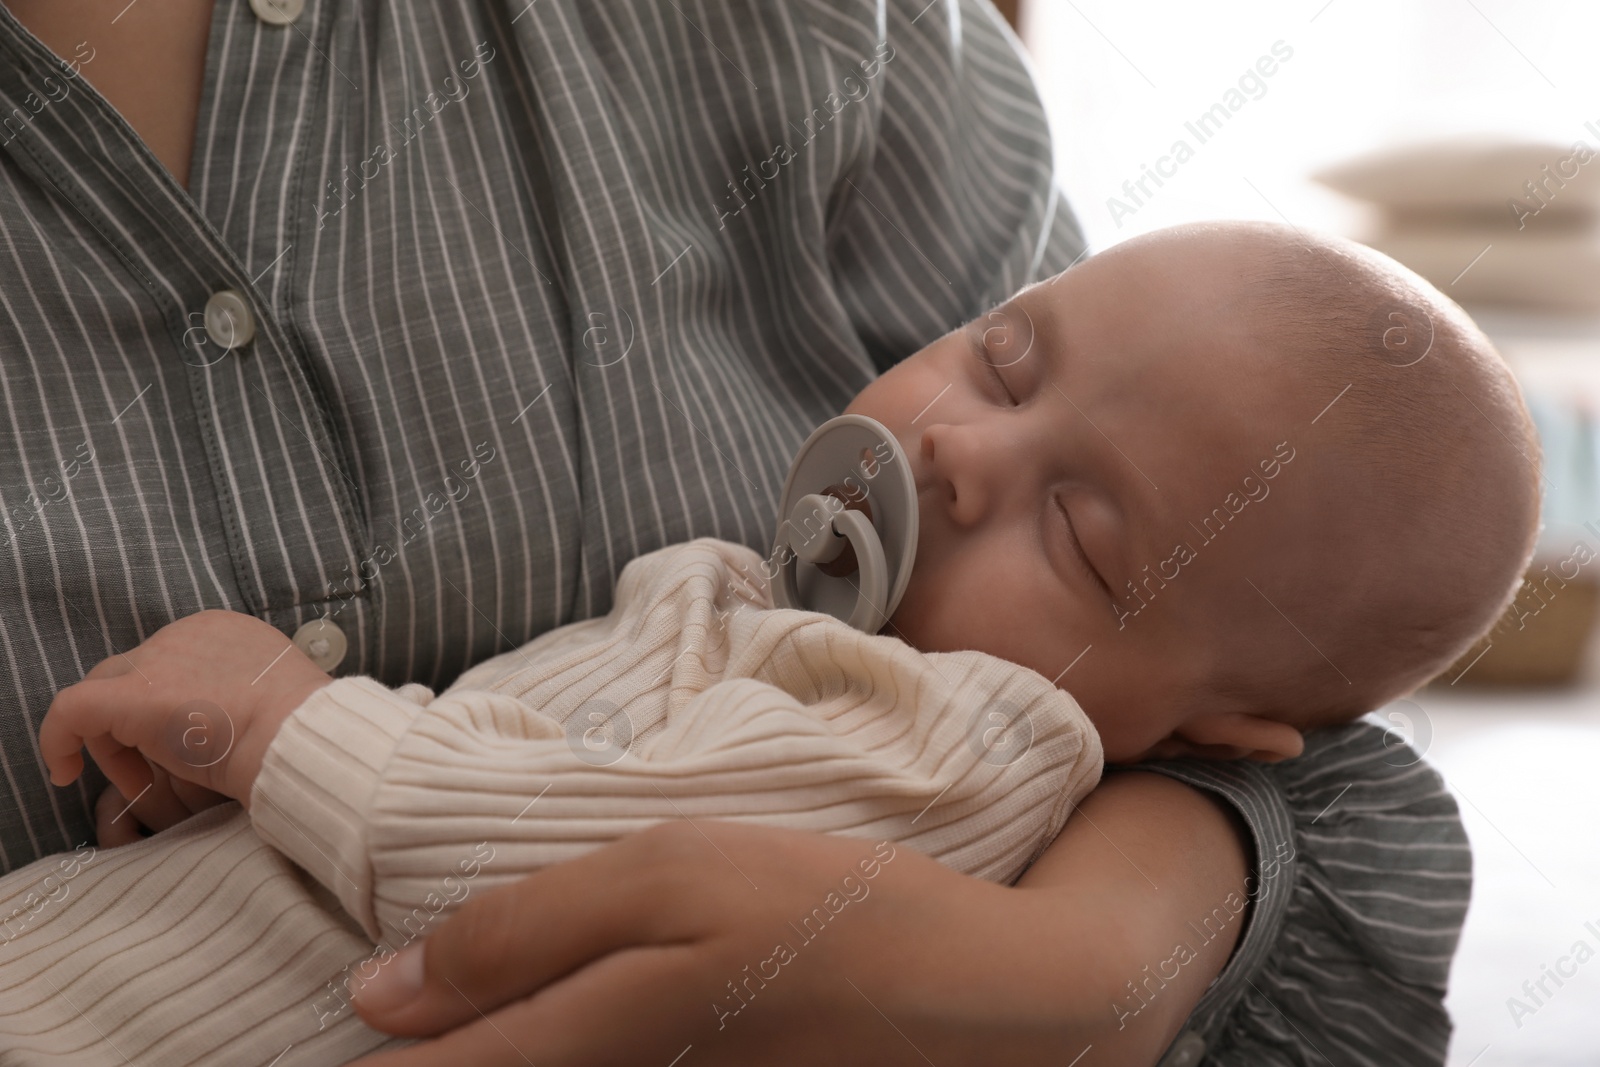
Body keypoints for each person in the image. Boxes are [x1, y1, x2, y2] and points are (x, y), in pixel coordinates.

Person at [0, 0, 1478, 1063]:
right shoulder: (779, 610)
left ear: (1216, 724)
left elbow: (572, 868)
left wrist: (288, 737)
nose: (959, 456)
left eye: (1083, 535)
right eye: (999, 357)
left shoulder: (949, 738)